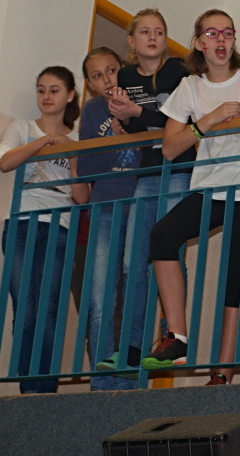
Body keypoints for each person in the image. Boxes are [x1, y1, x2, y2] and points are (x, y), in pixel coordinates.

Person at [140, 9, 240, 385]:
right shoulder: (191, 86)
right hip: (209, 187)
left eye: (227, 32)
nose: (220, 40)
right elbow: (170, 148)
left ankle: (222, 372)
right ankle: (177, 337)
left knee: (234, 276)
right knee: (162, 235)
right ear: (199, 43)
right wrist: (208, 121)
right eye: (212, 33)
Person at [106, 8, 195, 373]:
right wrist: (122, 119)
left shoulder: (179, 70)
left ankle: (172, 337)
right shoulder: (126, 76)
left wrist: (136, 113)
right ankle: (130, 347)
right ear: (131, 40)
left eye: (159, 31)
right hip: (147, 172)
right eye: (145, 31)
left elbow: (183, 119)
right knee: (133, 261)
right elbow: (136, 128)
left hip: (178, 168)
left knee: (169, 251)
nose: (153, 37)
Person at [0, 66, 89, 393]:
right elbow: (5, 162)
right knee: (25, 308)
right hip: (22, 223)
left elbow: (82, 197)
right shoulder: (22, 128)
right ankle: (28, 389)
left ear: (70, 95)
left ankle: (45, 392)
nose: (46, 96)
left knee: (49, 310)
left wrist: (73, 157)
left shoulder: (78, 139)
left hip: (59, 228)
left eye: (54, 90)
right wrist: (44, 142)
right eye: (41, 90)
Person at [78, 47, 141, 388]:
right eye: (97, 76)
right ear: (89, 84)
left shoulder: (139, 100)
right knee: (101, 296)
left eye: (112, 70)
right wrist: (116, 142)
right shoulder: (92, 111)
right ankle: (101, 383)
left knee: (135, 293)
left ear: (124, 69)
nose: (106, 80)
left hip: (140, 204)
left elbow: (155, 153)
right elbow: (86, 167)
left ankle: (129, 382)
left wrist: (130, 134)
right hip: (104, 205)